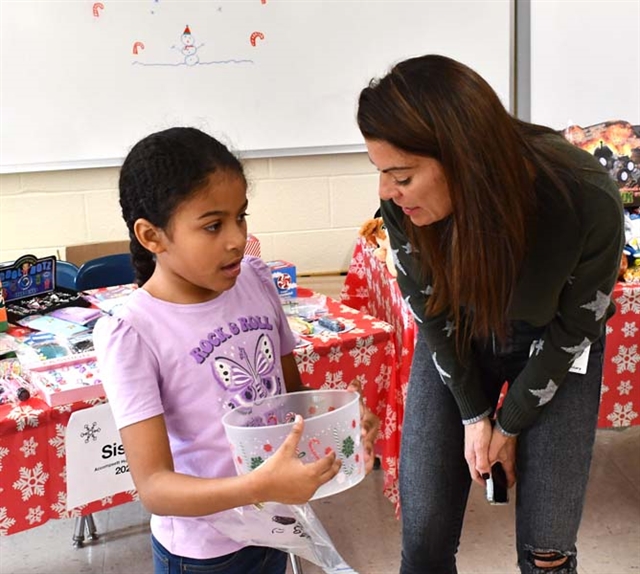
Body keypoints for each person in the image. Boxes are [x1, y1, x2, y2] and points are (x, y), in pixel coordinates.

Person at [356, 55, 624, 574]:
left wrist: (512, 422)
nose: (387, 191)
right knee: (425, 529)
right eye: (382, 173)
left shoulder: (584, 196)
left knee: (549, 547)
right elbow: (432, 316)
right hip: (459, 341)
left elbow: (575, 328)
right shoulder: (402, 207)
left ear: (463, 158)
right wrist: (475, 415)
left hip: (555, 346)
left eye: (402, 175)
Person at [93, 127, 379, 574]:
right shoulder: (133, 333)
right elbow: (154, 487)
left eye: (240, 217)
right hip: (206, 552)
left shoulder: (255, 281)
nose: (236, 239)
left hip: (277, 523)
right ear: (153, 236)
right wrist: (257, 486)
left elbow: (291, 401)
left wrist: (337, 423)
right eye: (212, 225)